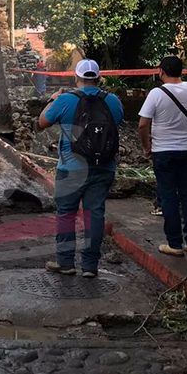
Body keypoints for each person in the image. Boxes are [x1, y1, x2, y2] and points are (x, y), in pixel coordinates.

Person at [37, 59, 124, 278]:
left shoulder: (65, 100)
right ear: (99, 78)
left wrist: (51, 100)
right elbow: (118, 123)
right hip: (103, 167)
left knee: (66, 214)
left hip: (71, 167)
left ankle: (66, 263)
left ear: (76, 78)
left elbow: (41, 123)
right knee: (94, 215)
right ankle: (90, 267)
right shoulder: (112, 101)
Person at [139, 56, 187, 257]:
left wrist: (146, 146)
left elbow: (143, 124)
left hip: (163, 151)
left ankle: (175, 244)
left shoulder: (156, 93)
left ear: (161, 71)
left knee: (168, 196)